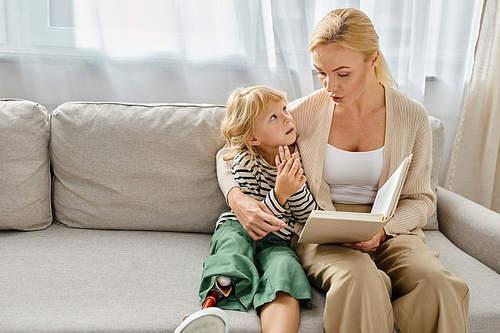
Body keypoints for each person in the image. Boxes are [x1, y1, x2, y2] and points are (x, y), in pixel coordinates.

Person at [217, 8, 470, 333]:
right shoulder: (304, 112)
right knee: (360, 280)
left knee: (439, 286)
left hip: (390, 231)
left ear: (373, 59)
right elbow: (233, 148)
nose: (330, 85)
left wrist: (383, 230)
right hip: (324, 235)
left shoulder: (412, 116)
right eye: (320, 72)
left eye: (342, 73)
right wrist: (238, 199)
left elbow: (421, 199)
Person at [177, 86, 317, 333]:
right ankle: (207, 311)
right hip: (240, 228)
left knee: (285, 266)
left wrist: (293, 189)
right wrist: (280, 193)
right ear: (253, 138)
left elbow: (307, 216)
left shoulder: (301, 159)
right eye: (274, 117)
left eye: (285, 109)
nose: (287, 117)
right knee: (233, 249)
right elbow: (253, 218)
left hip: (278, 241)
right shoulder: (245, 162)